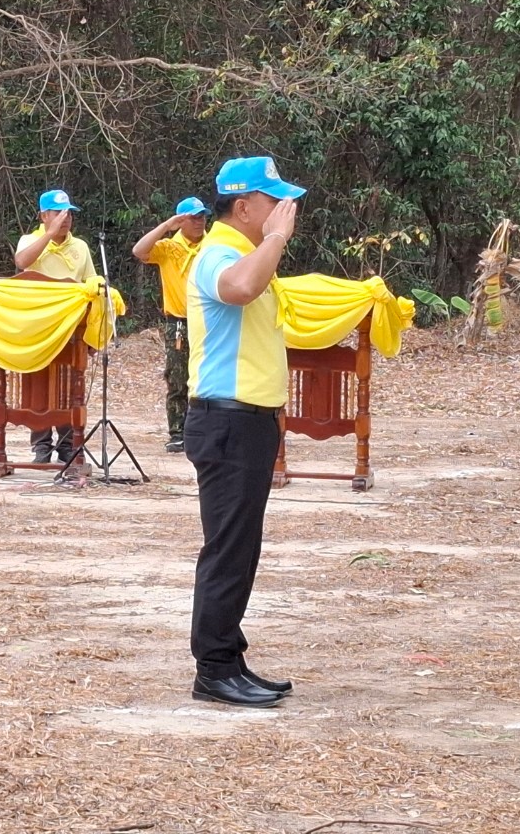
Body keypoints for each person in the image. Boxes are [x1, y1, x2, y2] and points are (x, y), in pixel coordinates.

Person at [185, 155, 303, 709]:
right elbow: (239, 289)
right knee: (228, 549)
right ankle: (212, 669)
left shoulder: (245, 253)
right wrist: (276, 238)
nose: (283, 209)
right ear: (243, 206)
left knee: (241, 548)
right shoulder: (218, 253)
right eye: (272, 200)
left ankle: (229, 659)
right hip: (227, 421)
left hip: (248, 422)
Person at [13, 189, 95, 465]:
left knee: (69, 388)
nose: (65, 218)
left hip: (71, 329)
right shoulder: (30, 240)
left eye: (68, 213)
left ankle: (68, 444)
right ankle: (41, 445)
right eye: (58, 213)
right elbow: (22, 262)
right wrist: (48, 235)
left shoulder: (80, 247)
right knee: (38, 386)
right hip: (37, 328)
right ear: (43, 216)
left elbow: (90, 284)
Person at [132, 196, 211, 453]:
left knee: (209, 377)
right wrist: (166, 226)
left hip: (210, 320)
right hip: (180, 322)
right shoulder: (168, 248)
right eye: (194, 217)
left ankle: (205, 431)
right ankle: (178, 432)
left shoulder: (213, 245)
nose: (199, 222)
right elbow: (139, 251)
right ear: (181, 221)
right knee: (178, 377)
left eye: (202, 216)